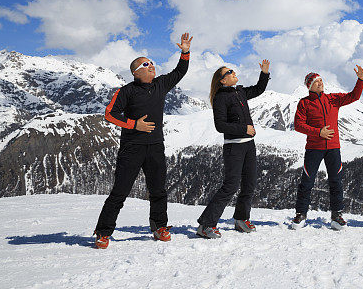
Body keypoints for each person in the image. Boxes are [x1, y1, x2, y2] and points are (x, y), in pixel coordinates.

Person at [93, 33, 193, 249]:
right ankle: (103, 232)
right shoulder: (126, 91)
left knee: (158, 190)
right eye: (146, 64)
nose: (152, 67)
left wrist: (185, 52)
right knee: (120, 191)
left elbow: (180, 72)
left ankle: (159, 227)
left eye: (152, 63)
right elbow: (110, 114)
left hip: (156, 146)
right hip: (132, 148)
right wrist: (133, 124)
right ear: (136, 72)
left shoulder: (160, 84)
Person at [195, 60, 270, 238]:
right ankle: (205, 225)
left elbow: (258, 89)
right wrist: (244, 129)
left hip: (248, 145)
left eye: (233, 70)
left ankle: (241, 219)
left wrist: (265, 73)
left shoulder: (240, 92)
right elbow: (220, 125)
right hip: (233, 148)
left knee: (249, 184)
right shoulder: (220, 97)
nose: (233, 73)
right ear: (222, 80)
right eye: (229, 72)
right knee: (230, 186)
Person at [290, 66, 363, 230]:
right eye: (316, 82)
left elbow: (354, 96)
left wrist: (360, 80)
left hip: (333, 148)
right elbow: (298, 125)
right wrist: (319, 132)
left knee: (336, 181)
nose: (320, 83)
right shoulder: (304, 103)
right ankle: (300, 214)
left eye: (321, 80)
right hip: (313, 148)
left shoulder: (333, 99)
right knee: (307, 182)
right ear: (310, 86)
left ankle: (336, 216)